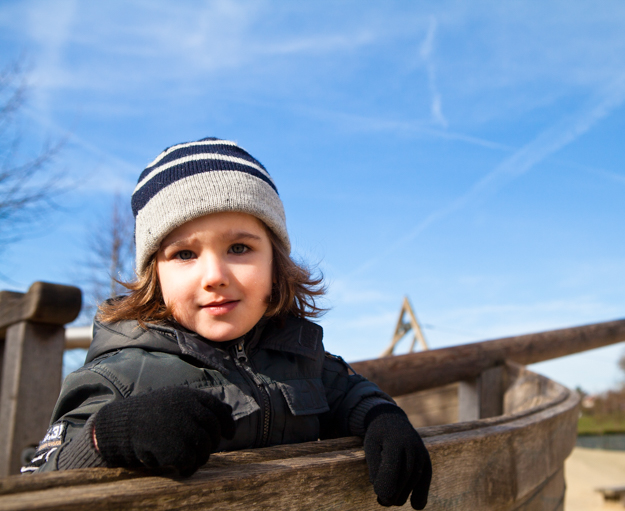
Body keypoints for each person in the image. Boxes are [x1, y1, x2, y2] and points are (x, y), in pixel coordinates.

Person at [23, 138, 431, 509]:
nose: (214, 274)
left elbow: (349, 391)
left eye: (239, 248)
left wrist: (383, 419)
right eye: (184, 254)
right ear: (155, 277)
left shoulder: (297, 353)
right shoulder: (118, 376)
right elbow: (38, 481)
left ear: (276, 265)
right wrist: (109, 436)